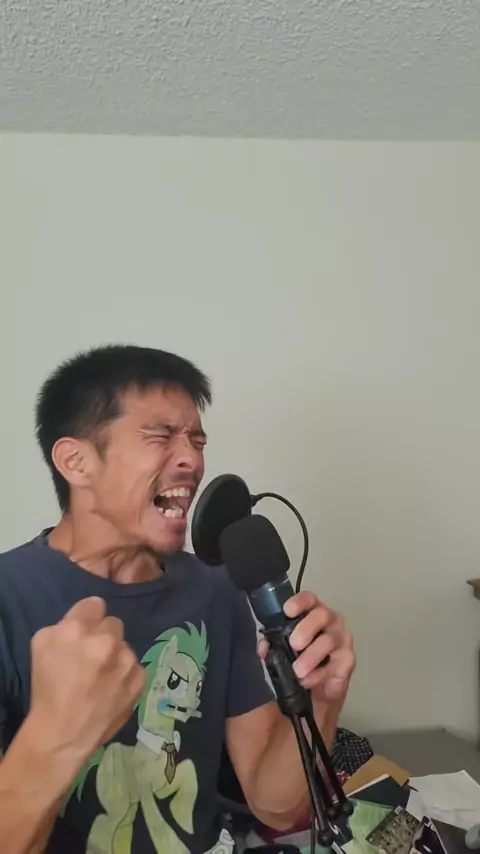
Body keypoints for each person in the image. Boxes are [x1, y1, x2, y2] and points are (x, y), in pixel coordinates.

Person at [0, 344, 355, 854]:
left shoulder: (216, 587)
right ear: (76, 461)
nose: (193, 459)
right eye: (161, 436)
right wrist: (57, 736)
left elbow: (273, 804)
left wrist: (324, 697)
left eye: (196, 439)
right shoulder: (9, 597)